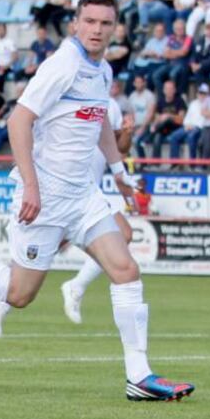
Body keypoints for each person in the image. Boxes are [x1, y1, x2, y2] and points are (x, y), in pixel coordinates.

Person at [0, 0, 194, 402]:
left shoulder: (102, 70)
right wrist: (30, 185)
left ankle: (139, 377)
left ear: (115, 27)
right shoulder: (62, 65)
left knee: (125, 269)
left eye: (105, 23)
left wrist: (119, 173)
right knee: (18, 294)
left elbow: (99, 121)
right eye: (90, 21)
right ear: (76, 24)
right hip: (45, 194)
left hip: (81, 196)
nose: (97, 29)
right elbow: (19, 120)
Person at [59, 96, 135, 322]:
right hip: (65, 186)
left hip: (91, 190)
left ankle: (76, 286)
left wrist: (127, 133)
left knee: (124, 234)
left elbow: (119, 148)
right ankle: (3, 294)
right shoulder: (65, 97)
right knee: (35, 261)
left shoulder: (109, 105)